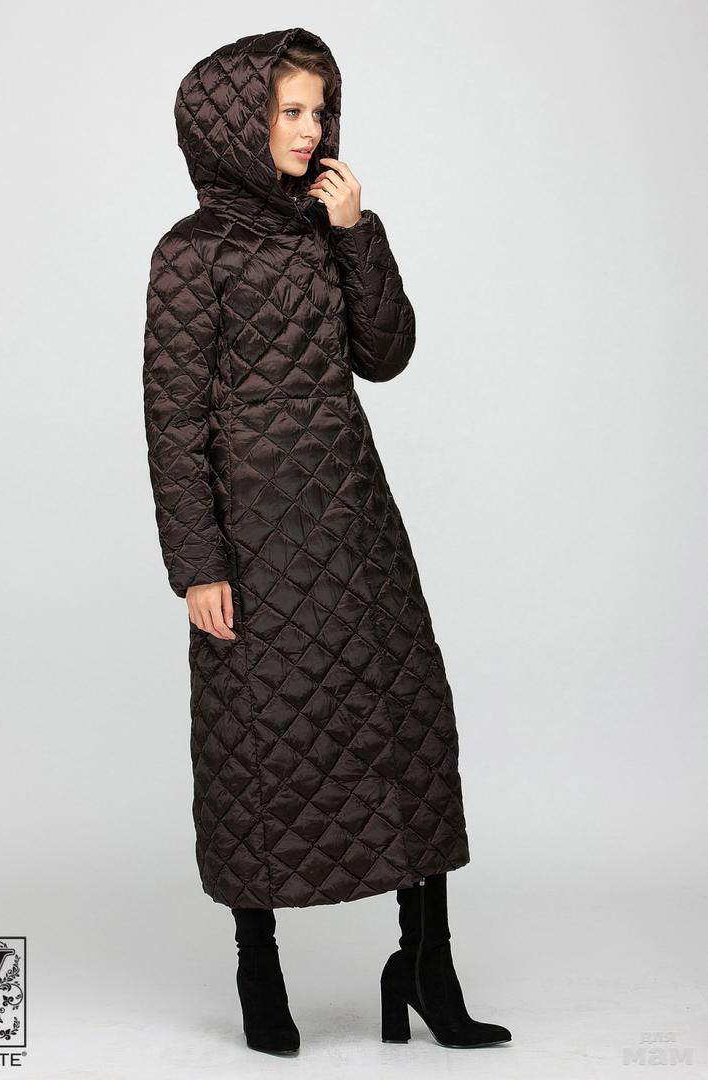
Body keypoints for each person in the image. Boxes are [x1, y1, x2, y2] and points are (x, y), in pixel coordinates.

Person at [142, 26, 512, 1055]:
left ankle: (425, 964)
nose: (310, 130)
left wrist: (357, 233)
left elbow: (385, 354)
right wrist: (197, 564)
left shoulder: (324, 227)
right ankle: (258, 968)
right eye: (288, 111)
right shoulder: (188, 255)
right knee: (255, 745)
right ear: (237, 123)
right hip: (255, 541)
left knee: (408, 727)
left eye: (317, 110)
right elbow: (172, 422)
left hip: (354, 521)